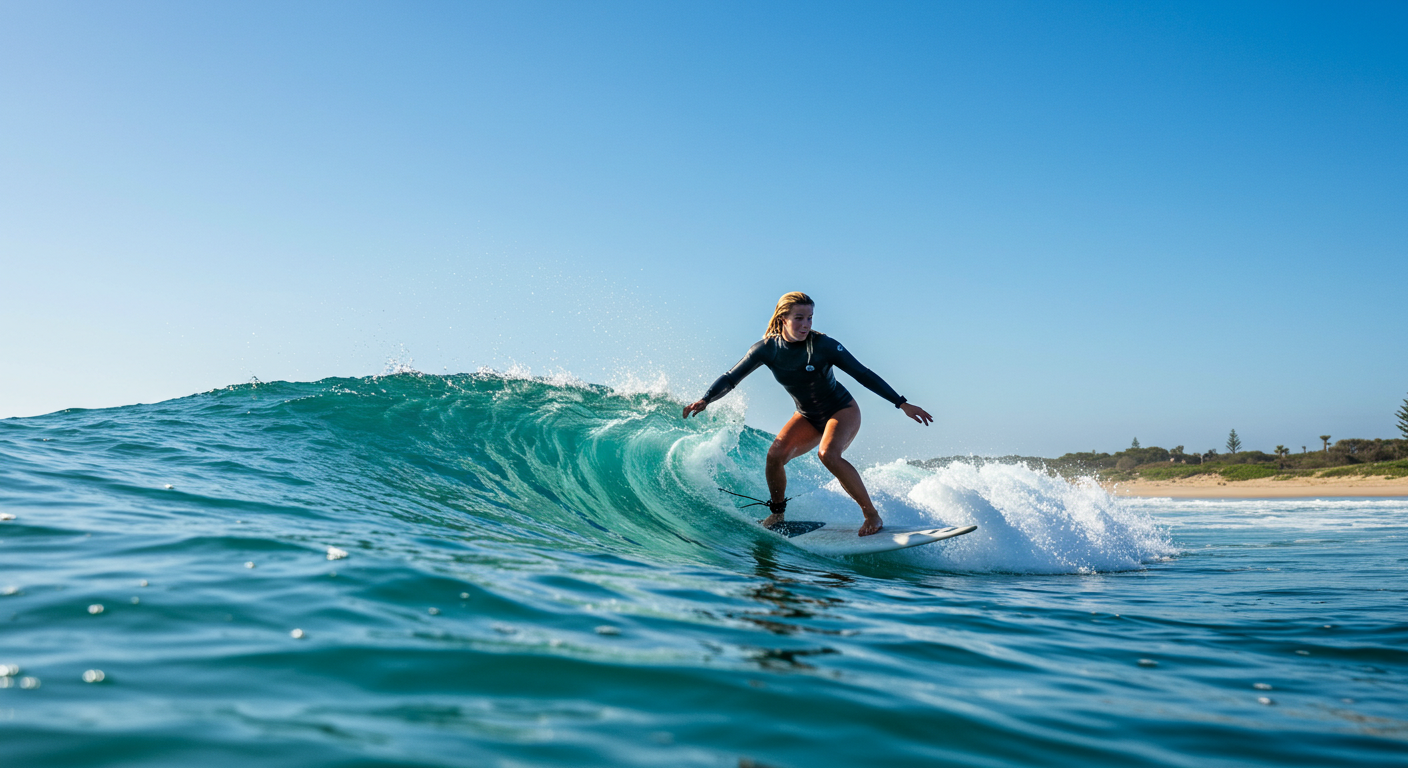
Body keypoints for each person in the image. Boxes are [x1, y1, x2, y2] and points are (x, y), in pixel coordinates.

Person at [683, 292, 933, 536]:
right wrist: (706, 399)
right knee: (774, 456)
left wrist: (902, 403)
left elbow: (863, 374)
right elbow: (731, 377)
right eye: (799, 318)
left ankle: (871, 515)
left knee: (828, 455)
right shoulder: (766, 349)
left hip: (841, 410)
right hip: (807, 416)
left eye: (810, 318)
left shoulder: (824, 345)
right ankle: (778, 513)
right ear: (783, 319)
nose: (806, 324)